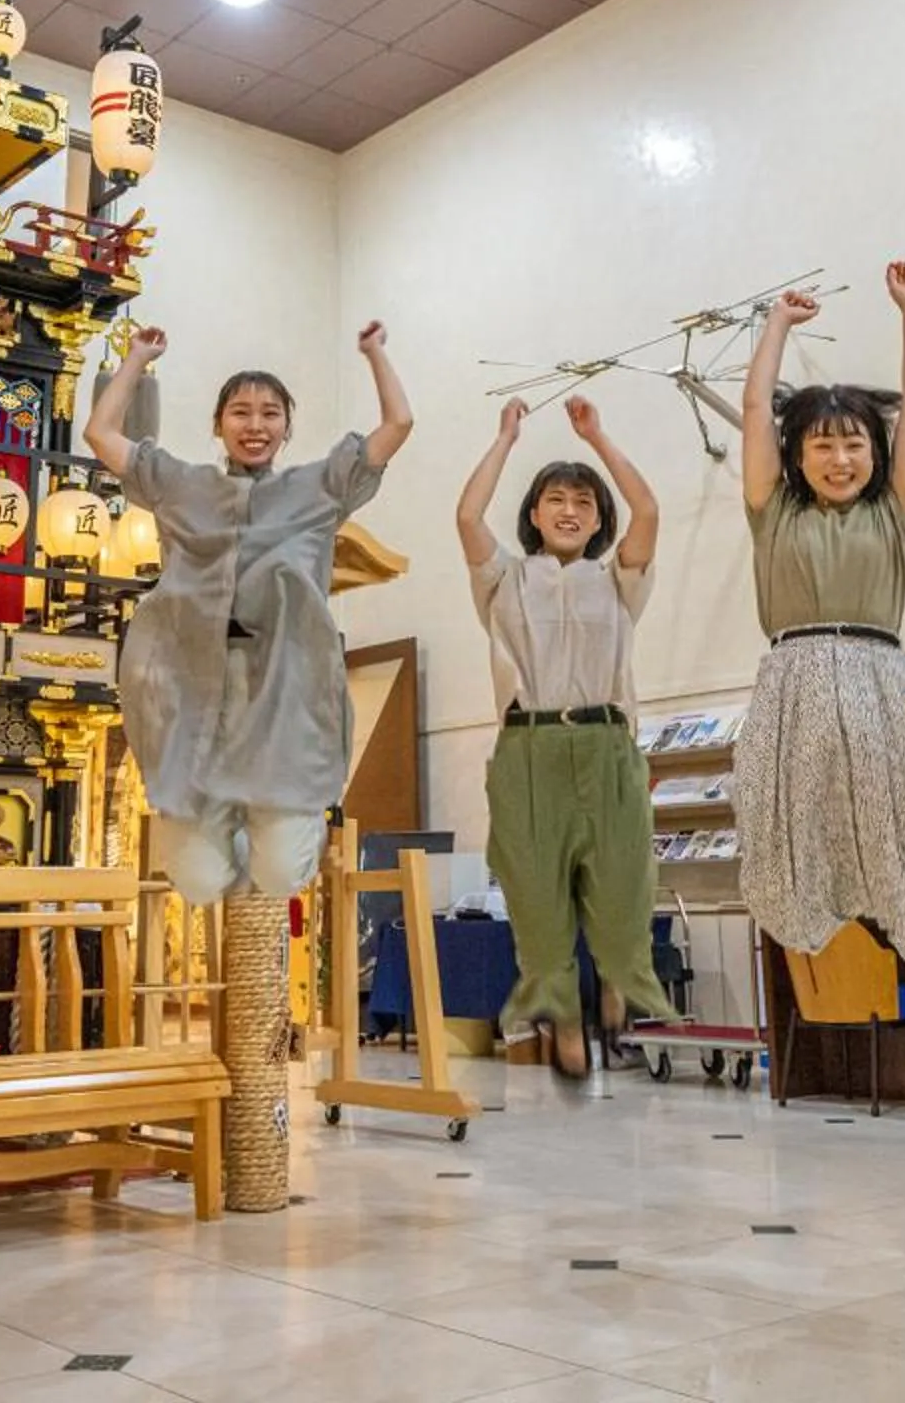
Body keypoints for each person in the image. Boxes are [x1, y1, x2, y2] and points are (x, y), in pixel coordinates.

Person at [733, 265, 905, 975]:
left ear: (874, 453)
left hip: (879, 677)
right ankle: (826, 962)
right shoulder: (774, 511)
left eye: (853, 443)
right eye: (821, 444)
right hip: (793, 683)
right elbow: (757, 410)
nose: (840, 457)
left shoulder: (894, 512)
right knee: (795, 836)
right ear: (797, 455)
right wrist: (777, 326)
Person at [87, 322, 412, 904]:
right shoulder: (180, 485)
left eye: (269, 414)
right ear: (219, 425)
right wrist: (136, 358)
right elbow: (100, 432)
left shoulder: (320, 488)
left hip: (282, 684)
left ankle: (277, 822)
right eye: (240, 412)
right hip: (195, 685)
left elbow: (398, 426)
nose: (255, 426)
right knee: (198, 881)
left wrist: (374, 353)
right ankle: (225, 827)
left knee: (285, 873)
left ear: (287, 426)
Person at [457, 393, 677, 1078]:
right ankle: (566, 1020)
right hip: (529, 745)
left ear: (597, 519)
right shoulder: (504, 580)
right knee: (539, 893)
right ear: (533, 512)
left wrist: (598, 435)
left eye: (584, 502)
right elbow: (466, 516)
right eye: (557, 498)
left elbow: (648, 512)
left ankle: (615, 992)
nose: (570, 509)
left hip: (607, 742)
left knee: (617, 881)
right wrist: (506, 439)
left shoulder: (618, 580)